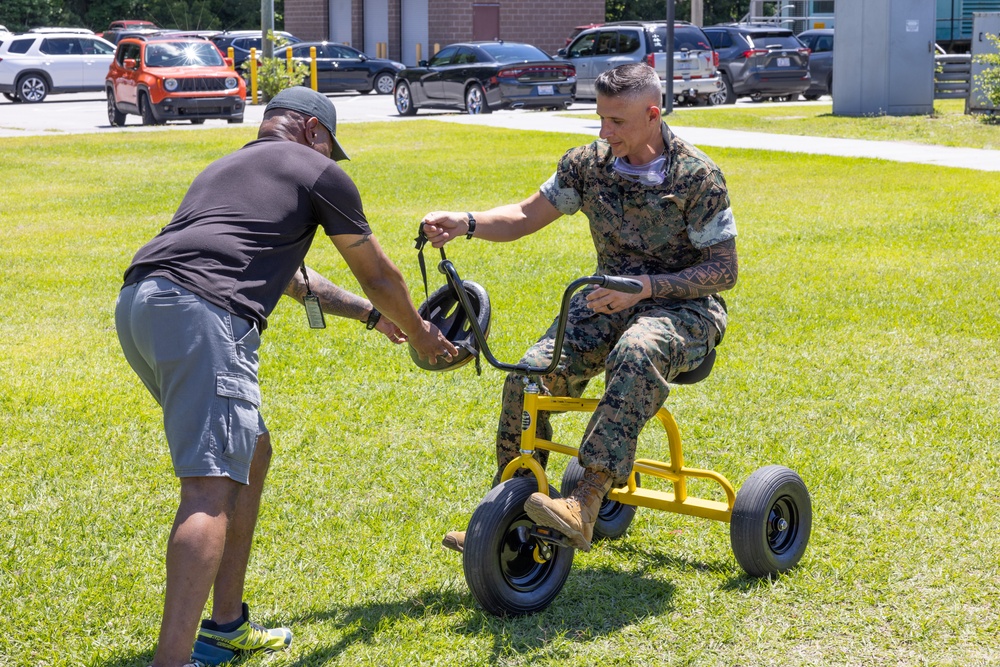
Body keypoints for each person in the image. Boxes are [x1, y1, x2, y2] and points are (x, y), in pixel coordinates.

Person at [115, 87, 457, 667]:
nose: (329, 156)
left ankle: (227, 625)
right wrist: (423, 334)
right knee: (209, 486)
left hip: (142, 305)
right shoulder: (316, 170)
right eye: (328, 144)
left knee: (251, 449)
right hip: (205, 313)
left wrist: (376, 321)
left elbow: (301, 283)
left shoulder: (228, 167)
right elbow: (376, 271)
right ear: (310, 130)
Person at [421, 63, 738, 554]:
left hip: (685, 309)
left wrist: (646, 288)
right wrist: (465, 222)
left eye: (617, 122)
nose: (604, 132)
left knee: (636, 350)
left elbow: (724, 271)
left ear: (652, 114)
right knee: (528, 375)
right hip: (606, 301)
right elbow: (526, 215)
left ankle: (585, 500)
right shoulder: (586, 164)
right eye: (600, 119)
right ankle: (507, 508)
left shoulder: (696, 176)